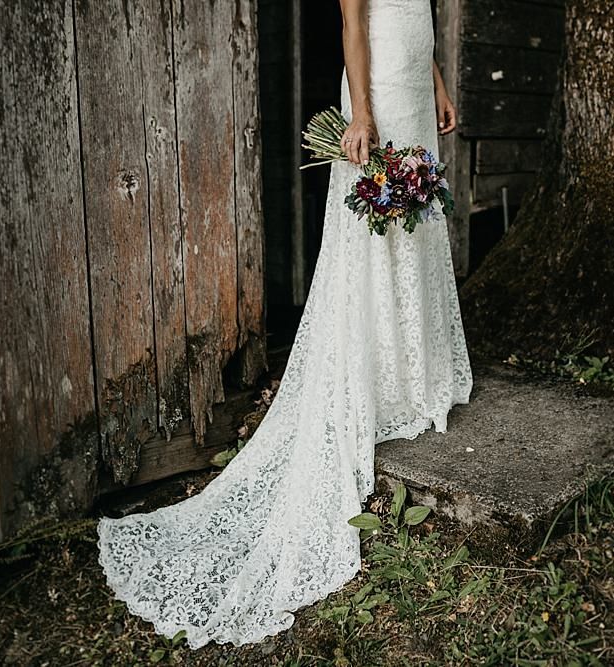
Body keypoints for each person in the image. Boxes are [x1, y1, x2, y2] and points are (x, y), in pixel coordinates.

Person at [97, 0, 473, 650]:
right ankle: (373, 372)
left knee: (414, 227)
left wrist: (437, 81)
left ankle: (416, 372)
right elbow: (353, 23)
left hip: (413, 87)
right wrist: (360, 113)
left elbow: (422, 20)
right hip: (376, 91)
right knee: (375, 231)